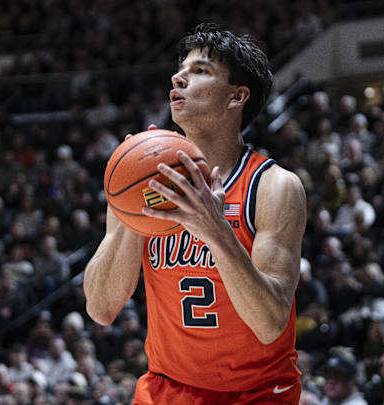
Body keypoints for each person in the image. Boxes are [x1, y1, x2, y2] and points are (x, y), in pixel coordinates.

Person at [84, 23, 306, 404]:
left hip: (256, 394)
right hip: (167, 388)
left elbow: (270, 324)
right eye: (180, 68)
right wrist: (131, 205)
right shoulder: (137, 180)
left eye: (200, 70)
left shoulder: (273, 187)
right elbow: (101, 308)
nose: (178, 76)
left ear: (236, 97)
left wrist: (216, 229)